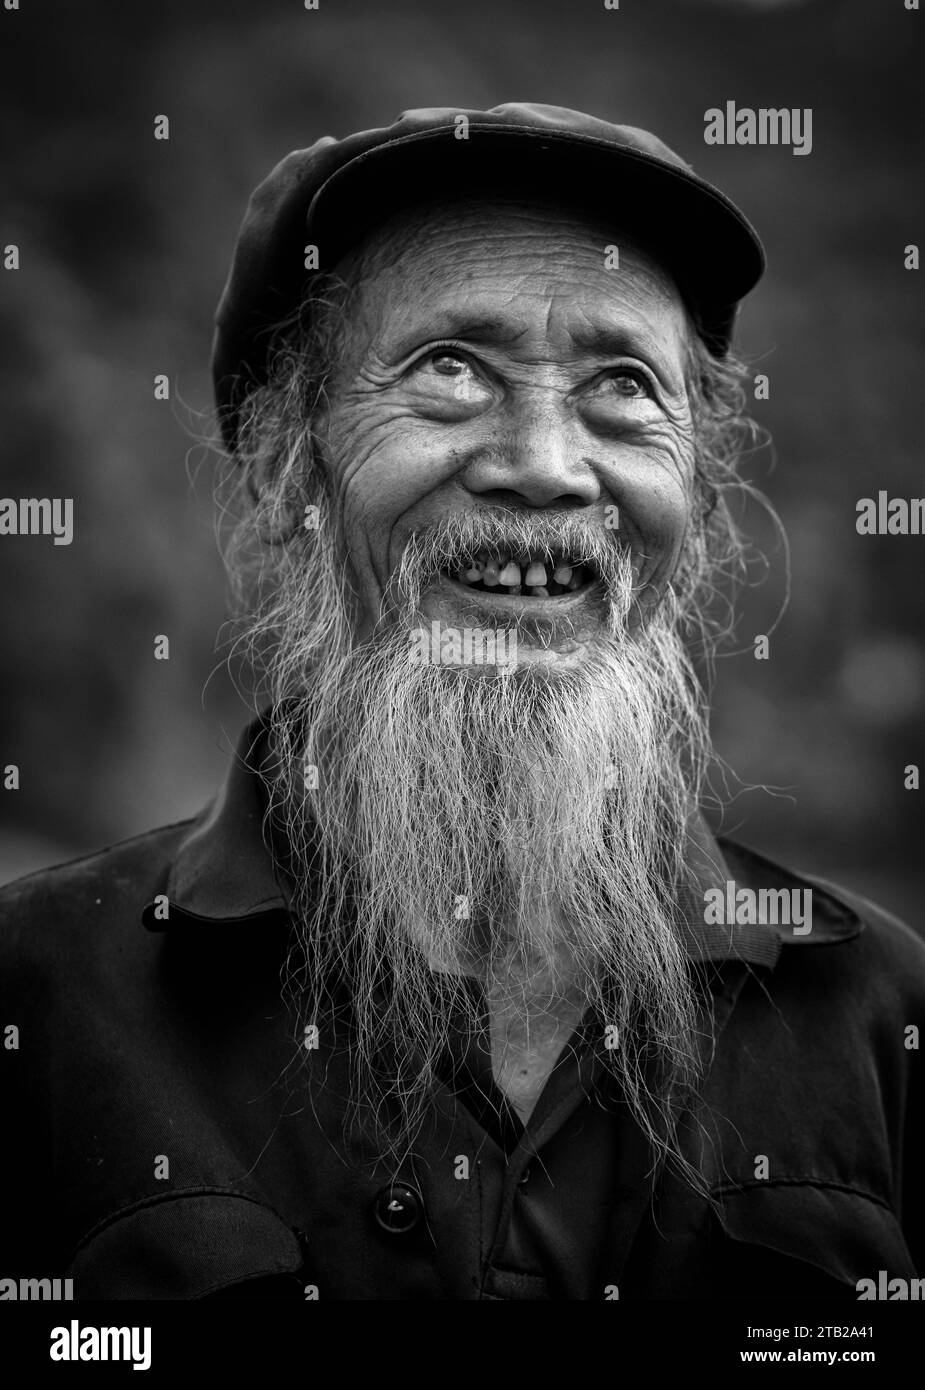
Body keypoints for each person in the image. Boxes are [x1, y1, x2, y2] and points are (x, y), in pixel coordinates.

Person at [1, 104, 922, 1301]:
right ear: (294, 464)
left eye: (622, 387)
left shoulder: (876, 1016)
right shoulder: (41, 1001)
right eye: (449, 371)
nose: (543, 463)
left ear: (693, 496)